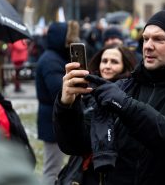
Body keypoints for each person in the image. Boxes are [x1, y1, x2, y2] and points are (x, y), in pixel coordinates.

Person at [53, 10, 165, 185]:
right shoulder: (124, 87)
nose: (148, 46)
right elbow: (76, 145)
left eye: (159, 39)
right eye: (145, 38)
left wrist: (127, 107)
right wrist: (67, 105)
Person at [53, 44, 137, 184]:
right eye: (104, 61)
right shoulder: (86, 91)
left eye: (114, 62)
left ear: (125, 65)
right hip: (86, 171)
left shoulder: (131, 94)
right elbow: (72, 140)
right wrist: (66, 104)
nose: (107, 66)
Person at [35, 22, 70, 185]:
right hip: (52, 120)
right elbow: (58, 91)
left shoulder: (53, 57)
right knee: (52, 169)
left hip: (52, 118)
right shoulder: (51, 61)